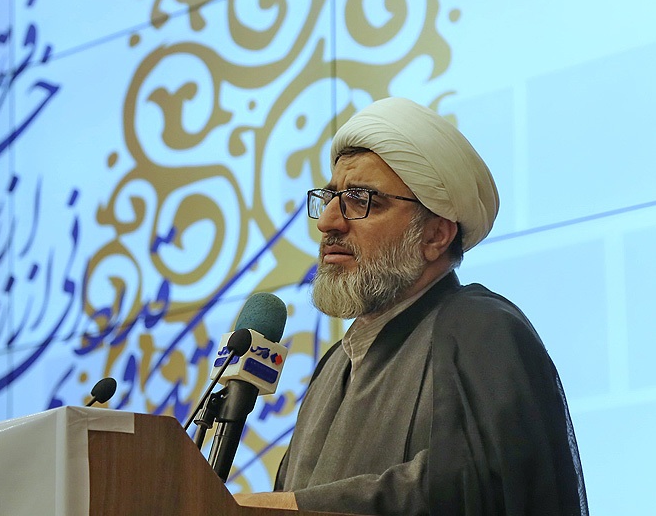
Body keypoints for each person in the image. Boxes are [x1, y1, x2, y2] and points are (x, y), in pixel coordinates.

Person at [235, 98, 587, 515]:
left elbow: (476, 488)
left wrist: (287, 506)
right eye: (330, 197)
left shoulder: (481, 329)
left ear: (435, 235)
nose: (327, 221)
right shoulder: (332, 365)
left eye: (360, 199)